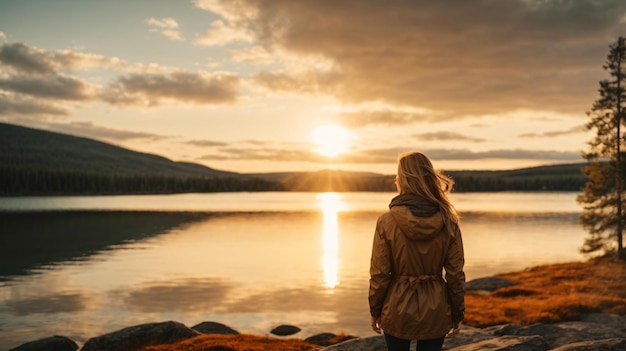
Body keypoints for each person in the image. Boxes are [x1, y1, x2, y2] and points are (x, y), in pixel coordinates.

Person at [368, 152, 465, 351]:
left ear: (403, 180)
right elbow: (455, 275)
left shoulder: (386, 222)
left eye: (398, 175)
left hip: (396, 308)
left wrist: (375, 310)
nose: (395, 179)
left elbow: (379, 274)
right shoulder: (448, 221)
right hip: (436, 308)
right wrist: (457, 314)